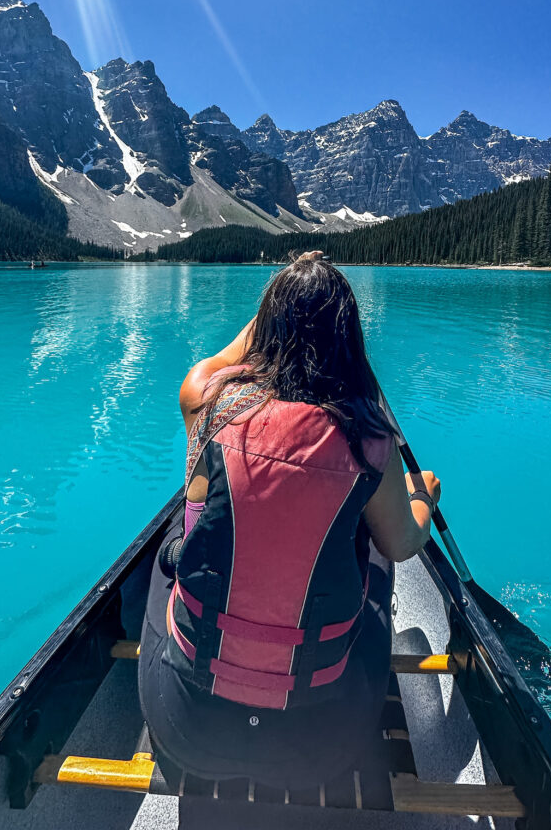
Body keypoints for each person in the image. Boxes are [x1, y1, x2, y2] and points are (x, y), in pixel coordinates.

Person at [138, 251, 441, 790]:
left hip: (186, 728)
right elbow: (402, 544)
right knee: (374, 545)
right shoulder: (370, 442)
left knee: (174, 540)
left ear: (266, 330)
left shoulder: (210, 404)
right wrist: (423, 500)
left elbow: (213, 365)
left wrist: (286, 298)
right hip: (322, 742)